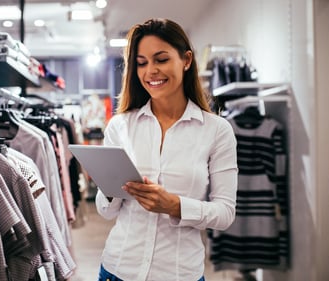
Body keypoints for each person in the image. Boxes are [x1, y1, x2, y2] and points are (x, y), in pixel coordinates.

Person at [95, 18, 238, 281]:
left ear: (186, 60)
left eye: (161, 59)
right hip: (117, 269)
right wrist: (110, 187)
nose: (151, 71)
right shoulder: (120, 126)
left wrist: (176, 206)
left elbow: (225, 213)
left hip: (178, 273)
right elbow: (106, 212)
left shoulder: (216, 130)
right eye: (141, 63)